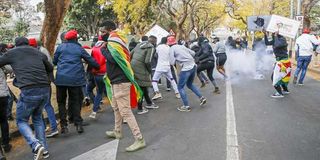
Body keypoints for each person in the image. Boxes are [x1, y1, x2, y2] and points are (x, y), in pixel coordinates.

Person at [0, 37, 53, 159]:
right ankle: (43, 149)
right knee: (38, 118)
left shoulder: (12, 53)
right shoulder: (38, 52)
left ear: (16, 45)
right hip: (45, 89)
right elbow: (50, 68)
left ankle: (35, 145)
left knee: (21, 120)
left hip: (29, 90)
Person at [100, 20, 146, 152]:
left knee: (125, 111)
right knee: (116, 108)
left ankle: (139, 139)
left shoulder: (113, 41)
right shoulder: (116, 40)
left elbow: (114, 59)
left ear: (109, 30)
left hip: (120, 82)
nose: (101, 34)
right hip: (115, 81)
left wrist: (103, 49)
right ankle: (117, 131)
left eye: (103, 32)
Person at [53, 30, 100, 134]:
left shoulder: (60, 47)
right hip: (75, 79)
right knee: (75, 100)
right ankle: (78, 124)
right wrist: (98, 66)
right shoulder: (79, 48)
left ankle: (64, 125)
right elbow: (90, 59)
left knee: (61, 102)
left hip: (61, 79)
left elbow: (54, 61)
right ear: (75, 39)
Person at [29, 38, 59, 138]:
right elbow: (50, 66)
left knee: (39, 107)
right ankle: (51, 126)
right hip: (45, 82)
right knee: (47, 105)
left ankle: (49, 128)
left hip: (37, 83)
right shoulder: (43, 51)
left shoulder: (33, 54)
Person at [168, 36, 207, 112]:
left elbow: (172, 62)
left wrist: (176, 58)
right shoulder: (181, 46)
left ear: (169, 44)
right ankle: (201, 97)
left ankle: (186, 106)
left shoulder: (172, 49)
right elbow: (193, 53)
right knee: (189, 84)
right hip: (193, 66)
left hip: (186, 68)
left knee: (180, 87)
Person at [131, 35, 159, 114]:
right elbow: (148, 61)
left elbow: (130, 54)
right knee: (141, 89)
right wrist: (149, 70)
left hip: (133, 67)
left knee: (143, 86)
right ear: (154, 42)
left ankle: (149, 103)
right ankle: (140, 108)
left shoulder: (139, 45)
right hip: (141, 69)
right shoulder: (151, 47)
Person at [264, 30, 291, 98]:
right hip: (280, 61)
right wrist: (265, 35)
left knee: (274, 77)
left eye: (274, 32)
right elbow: (267, 43)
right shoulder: (275, 39)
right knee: (282, 77)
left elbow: (278, 44)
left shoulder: (282, 39)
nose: (273, 34)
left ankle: (279, 93)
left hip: (283, 62)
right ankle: (285, 90)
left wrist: (275, 36)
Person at [89, 36, 106, 119]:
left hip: (96, 73)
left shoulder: (94, 48)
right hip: (105, 73)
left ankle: (94, 111)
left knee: (99, 92)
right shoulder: (106, 47)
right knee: (111, 92)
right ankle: (117, 110)